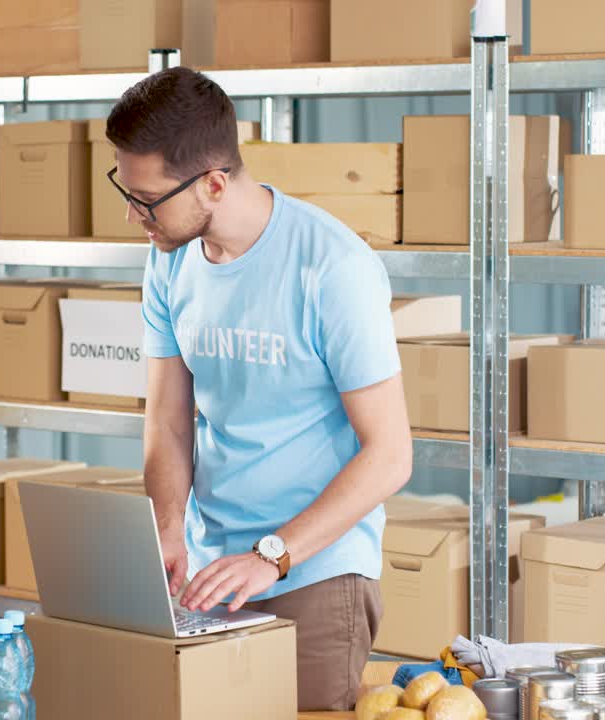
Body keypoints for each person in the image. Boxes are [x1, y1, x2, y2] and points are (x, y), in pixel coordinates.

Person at [107, 67, 413, 711]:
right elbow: (168, 422)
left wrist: (272, 555)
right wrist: (166, 529)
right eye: (127, 191)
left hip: (314, 570)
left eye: (148, 199)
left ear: (214, 183)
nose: (135, 215)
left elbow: (390, 455)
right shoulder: (169, 258)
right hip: (209, 568)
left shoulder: (333, 268)